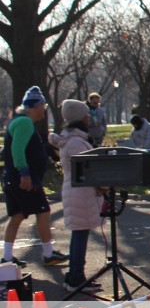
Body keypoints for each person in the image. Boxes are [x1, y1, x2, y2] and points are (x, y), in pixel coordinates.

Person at [1, 86, 70, 267]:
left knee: (17, 215)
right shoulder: (24, 122)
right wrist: (24, 173)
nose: (44, 110)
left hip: (11, 177)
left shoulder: (17, 121)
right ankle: (48, 253)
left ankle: (7, 258)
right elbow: (17, 150)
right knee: (43, 211)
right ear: (35, 106)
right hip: (23, 179)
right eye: (43, 106)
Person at [49, 99, 104, 293]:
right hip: (80, 194)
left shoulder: (73, 139)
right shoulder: (75, 143)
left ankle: (74, 276)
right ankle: (76, 278)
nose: (89, 117)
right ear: (79, 118)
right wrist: (103, 185)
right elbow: (88, 170)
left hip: (79, 193)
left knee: (80, 234)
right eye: (86, 114)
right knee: (80, 236)